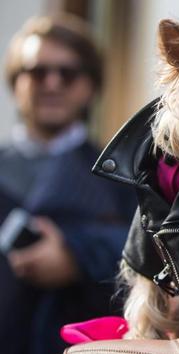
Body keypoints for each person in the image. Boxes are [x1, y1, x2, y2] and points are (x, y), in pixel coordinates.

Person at [0, 14, 135, 354]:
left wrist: (77, 256)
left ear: (91, 85)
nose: (52, 83)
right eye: (37, 71)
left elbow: (150, 254)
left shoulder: (122, 175)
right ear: (16, 81)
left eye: (68, 73)